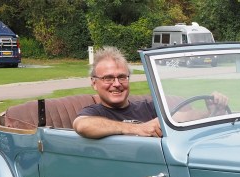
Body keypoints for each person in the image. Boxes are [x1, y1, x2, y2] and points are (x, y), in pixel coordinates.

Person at [73, 46, 228, 139]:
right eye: (108, 78)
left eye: (122, 77)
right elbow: (81, 125)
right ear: (94, 83)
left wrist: (211, 112)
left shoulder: (147, 107)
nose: (117, 84)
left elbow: (180, 117)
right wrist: (138, 128)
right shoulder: (95, 112)